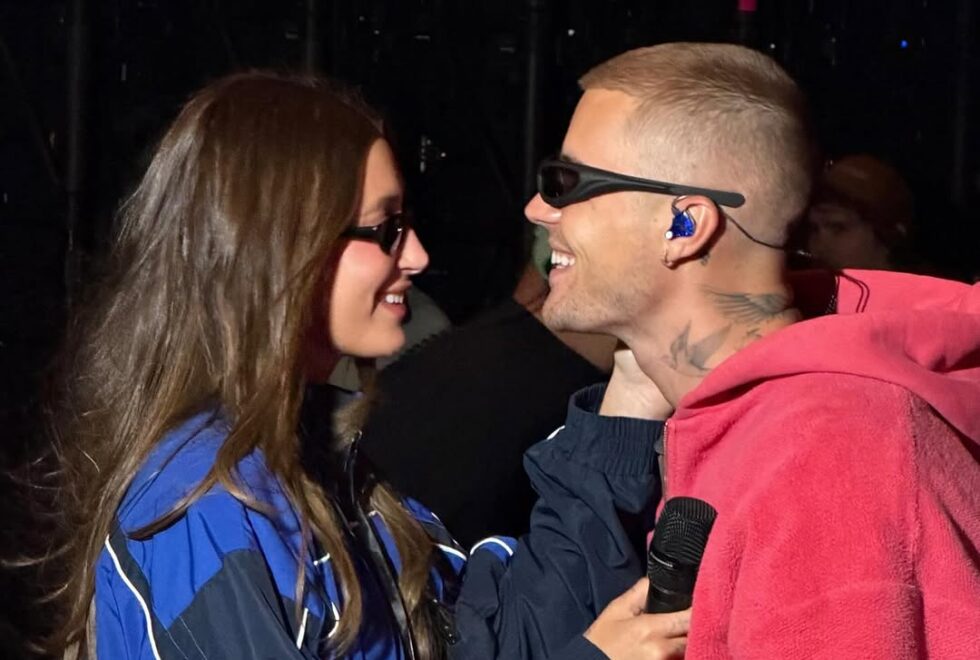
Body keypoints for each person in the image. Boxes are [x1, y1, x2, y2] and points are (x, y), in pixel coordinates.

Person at [454, 42, 980, 659]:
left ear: (685, 225)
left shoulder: (827, 451)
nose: (539, 209)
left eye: (568, 182)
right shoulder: (740, 421)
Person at [39, 72, 464, 659]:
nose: (416, 254)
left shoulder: (314, 459)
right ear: (286, 247)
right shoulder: (208, 509)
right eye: (386, 228)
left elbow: (476, 618)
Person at [805, 154, 916, 271]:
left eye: (838, 228)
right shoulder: (809, 286)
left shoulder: (924, 288)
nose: (818, 248)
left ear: (886, 235)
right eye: (814, 229)